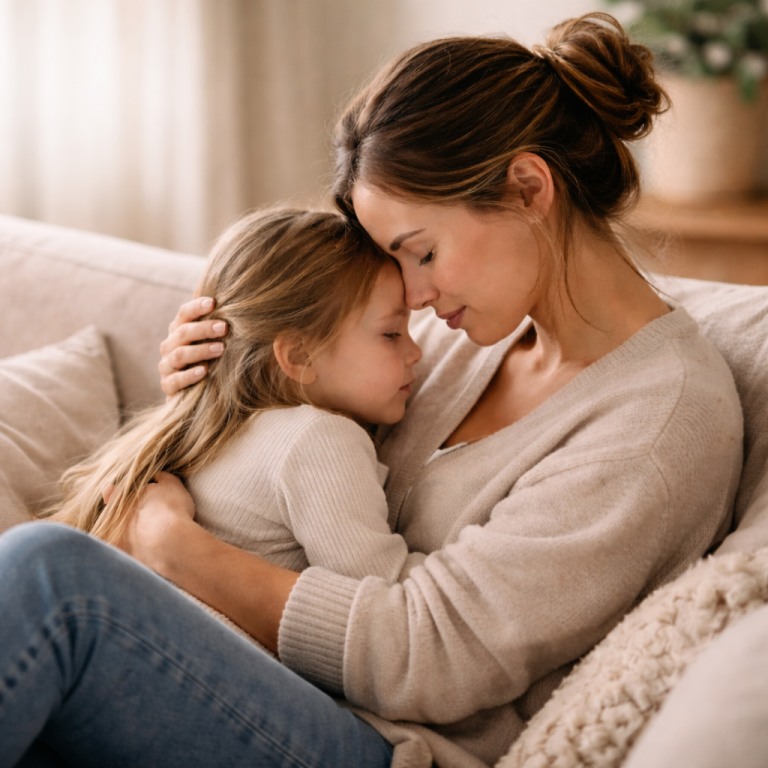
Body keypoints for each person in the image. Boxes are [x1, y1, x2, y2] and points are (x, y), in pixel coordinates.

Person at [0, 13, 744, 768]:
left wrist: (175, 548)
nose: (414, 299)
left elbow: (432, 656)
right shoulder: (470, 330)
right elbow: (302, 443)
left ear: (527, 187)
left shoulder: (659, 421)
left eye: (420, 252)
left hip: (389, 745)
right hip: (274, 680)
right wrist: (222, 389)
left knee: (49, 576)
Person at [43, 207, 424, 646]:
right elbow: (390, 601)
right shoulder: (320, 440)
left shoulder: (211, 433)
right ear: (298, 357)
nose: (417, 353)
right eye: (393, 334)